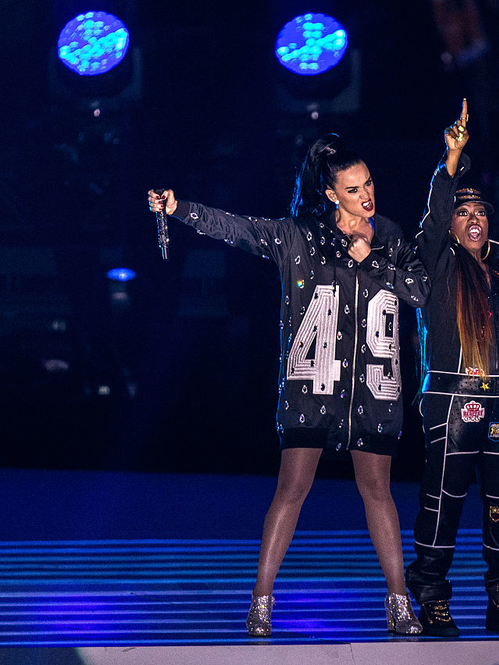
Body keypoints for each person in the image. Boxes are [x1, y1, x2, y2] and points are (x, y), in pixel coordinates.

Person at [147, 134, 428, 636]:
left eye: (368, 185)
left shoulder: (388, 235)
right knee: (292, 489)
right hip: (312, 386)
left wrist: (375, 262)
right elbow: (237, 228)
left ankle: (399, 601)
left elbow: (423, 291)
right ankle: (260, 599)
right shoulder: (298, 235)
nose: (366, 196)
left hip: (372, 388)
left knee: (377, 490)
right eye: (352, 189)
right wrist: (181, 207)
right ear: (330, 193)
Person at [405, 100, 499, 636]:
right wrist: (453, 157)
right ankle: (432, 600)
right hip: (453, 400)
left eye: (481, 214)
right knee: (443, 505)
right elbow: (434, 218)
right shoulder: (438, 266)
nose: (473, 220)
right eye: (463, 214)